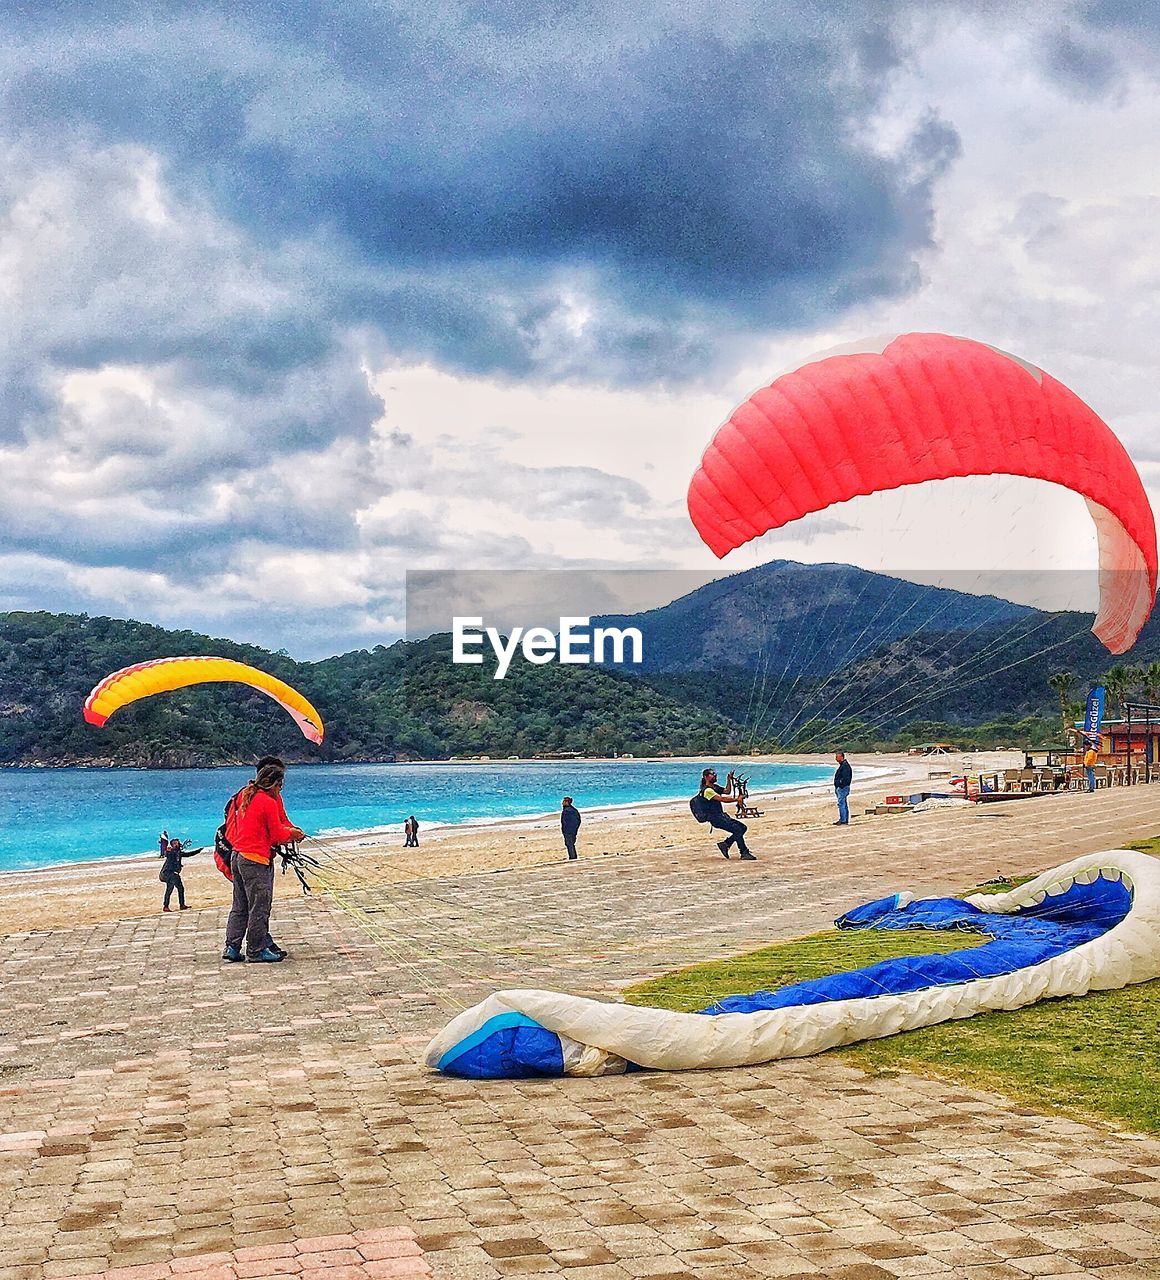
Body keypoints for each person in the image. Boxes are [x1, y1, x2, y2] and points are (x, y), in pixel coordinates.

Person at [222, 761, 304, 963]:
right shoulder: (267, 801)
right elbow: (277, 834)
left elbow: (276, 823)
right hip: (255, 860)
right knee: (259, 907)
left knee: (240, 905)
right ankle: (256, 950)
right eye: (280, 785)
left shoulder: (246, 795)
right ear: (274, 783)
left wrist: (292, 831)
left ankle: (232, 947)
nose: (281, 790)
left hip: (238, 855)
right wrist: (293, 834)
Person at [699, 768, 756, 860]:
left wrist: (728, 779)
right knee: (738, 829)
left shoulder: (714, 787)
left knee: (742, 828)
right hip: (716, 818)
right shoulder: (707, 791)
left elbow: (727, 791)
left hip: (720, 816)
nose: (715, 775)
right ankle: (743, 852)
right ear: (706, 777)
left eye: (714, 774)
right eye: (712, 774)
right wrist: (737, 799)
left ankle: (726, 844)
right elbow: (722, 799)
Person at [160, 837, 188, 912]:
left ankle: (182, 905)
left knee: (181, 889)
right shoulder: (171, 852)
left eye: (177, 843)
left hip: (176, 874)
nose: (177, 844)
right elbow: (167, 854)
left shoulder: (179, 853)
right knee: (169, 890)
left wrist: (199, 851)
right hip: (170, 874)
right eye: (175, 843)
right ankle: (165, 906)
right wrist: (167, 851)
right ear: (172, 845)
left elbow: (188, 854)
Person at [833, 751, 853, 825]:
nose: (836, 759)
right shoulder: (843, 765)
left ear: (841, 757)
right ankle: (844, 819)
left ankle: (843, 820)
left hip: (843, 788)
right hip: (842, 787)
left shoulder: (845, 766)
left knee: (841, 803)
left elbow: (845, 778)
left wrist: (840, 785)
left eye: (837, 757)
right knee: (843, 803)